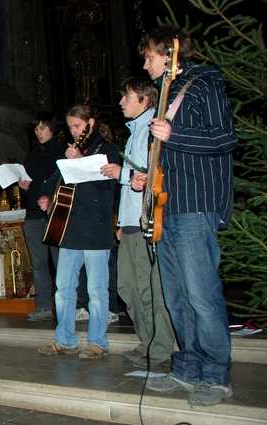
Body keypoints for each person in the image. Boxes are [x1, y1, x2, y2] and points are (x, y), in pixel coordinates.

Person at [131, 26, 237, 406]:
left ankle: (215, 374)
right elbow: (168, 150)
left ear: (168, 53)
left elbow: (224, 137)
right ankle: (187, 367)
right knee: (175, 296)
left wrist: (174, 135)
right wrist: (149, 174)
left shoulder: (203, 81)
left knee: (201, 293)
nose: (145, 64)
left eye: (148, 56)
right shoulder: (165, 94)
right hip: (167, 205)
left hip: (195, 205)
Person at [100, 76, 175, 368]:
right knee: (126, 288)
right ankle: (147, 342)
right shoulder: (134, 134)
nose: (121, 102)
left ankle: (160, 348)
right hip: (130, 222)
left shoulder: (152, 131)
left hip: (147, 221)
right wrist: (121, 221)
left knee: (146, 289)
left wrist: (123, 174)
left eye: (127, 97)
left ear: (144, 100)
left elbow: (152, 176)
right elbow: (133, 182)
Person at [36, 105, 122, 360]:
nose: (73, 131)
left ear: (91, 123)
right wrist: (46, 196)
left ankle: (98, 342)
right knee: (63, 288)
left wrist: (80, 162)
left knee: (96, 290)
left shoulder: (107, 149)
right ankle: (65, 340)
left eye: (77, 126)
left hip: (96, 228)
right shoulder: (72, 151)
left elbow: (109, 186)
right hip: (70, 229)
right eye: (70, 126)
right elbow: (56, 178)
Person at [19, 112, 65, 321]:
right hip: (33, 214)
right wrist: (23, 186)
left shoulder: (63, 152)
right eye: (36, 129)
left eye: (43, 128)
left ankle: (65, 305)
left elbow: (64, 183)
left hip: (55, 212)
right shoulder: (31, 155)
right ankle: (44, 306)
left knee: (59, 261)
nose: (39, 132)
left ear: (52, 129)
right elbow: (30, 184)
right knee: (38, 263)